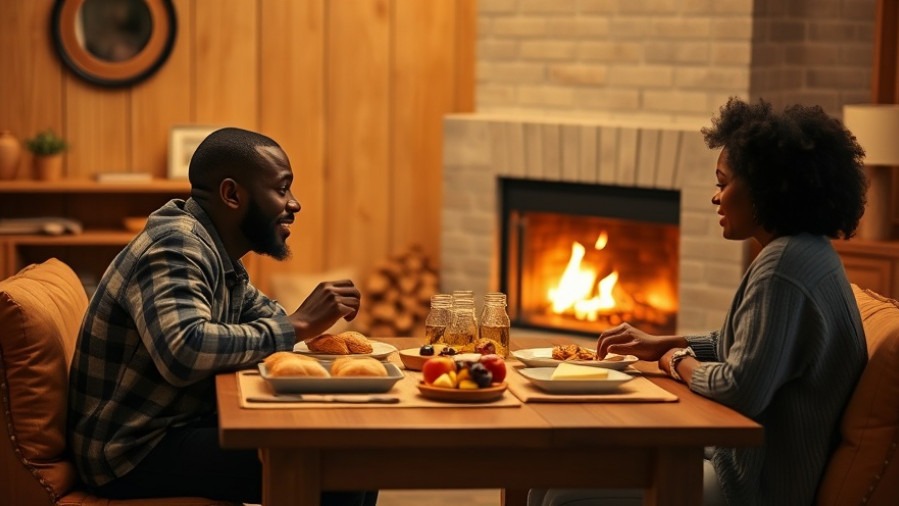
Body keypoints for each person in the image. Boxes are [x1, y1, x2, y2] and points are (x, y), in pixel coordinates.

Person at [530, 97, 869, 506]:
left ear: (766, 187)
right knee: (547, 479)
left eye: (723, 183)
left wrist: (675, 361)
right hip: (747, 466)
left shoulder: (783, 267)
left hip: (754, 488)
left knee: (562, 497)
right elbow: (754, 347)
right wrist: (668, 341)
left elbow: (741, 388)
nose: (715, 197)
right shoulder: (808, 252)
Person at [67, 127, 378, 505]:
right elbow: (183, 350)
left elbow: (272, 320)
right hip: (130, 451)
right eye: (282, 189)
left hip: (173, 427)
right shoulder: (176, 245)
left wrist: (302, 324)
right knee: (333, 467)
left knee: (352, 452)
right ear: (232, 194)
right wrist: (297, 324)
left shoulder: (218, 256)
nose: (294, 204)